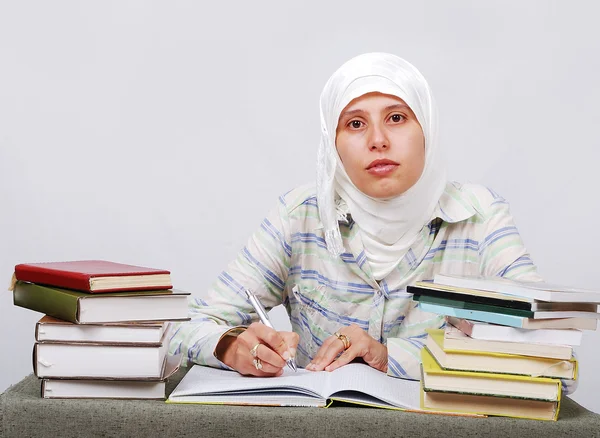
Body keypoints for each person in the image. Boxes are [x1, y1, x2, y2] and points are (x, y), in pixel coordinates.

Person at [169, 52, 575, 393]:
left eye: (396, 118)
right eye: (356, 124)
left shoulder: (480, 216)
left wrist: (390, 357)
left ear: (426, 130)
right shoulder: (301, 215)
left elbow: (554, 360)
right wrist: (229, 344)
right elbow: (183, 328)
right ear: (333, 144)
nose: (377, 140)